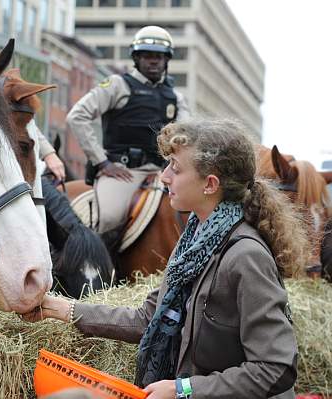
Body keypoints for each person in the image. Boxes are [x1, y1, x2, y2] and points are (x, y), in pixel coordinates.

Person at [24, 118, 307, 399]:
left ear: (210, 184)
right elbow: (148, 318)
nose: (164, 176)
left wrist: (183, 390)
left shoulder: (246, 257)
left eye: (176, 168)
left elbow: (276, 368)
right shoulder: (194, 242)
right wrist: (62, 309)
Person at [66, 25, 189, 234]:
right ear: (136, 58)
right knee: (109, 218)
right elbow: (76, 116)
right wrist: (101, 162)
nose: (153, 60)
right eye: (147, 55)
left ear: (166, 60)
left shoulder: (176, 97)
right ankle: (95, 266)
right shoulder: (117, 85)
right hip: (122, 172)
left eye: (159, 57)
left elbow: (187, 136)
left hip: (162, 172)